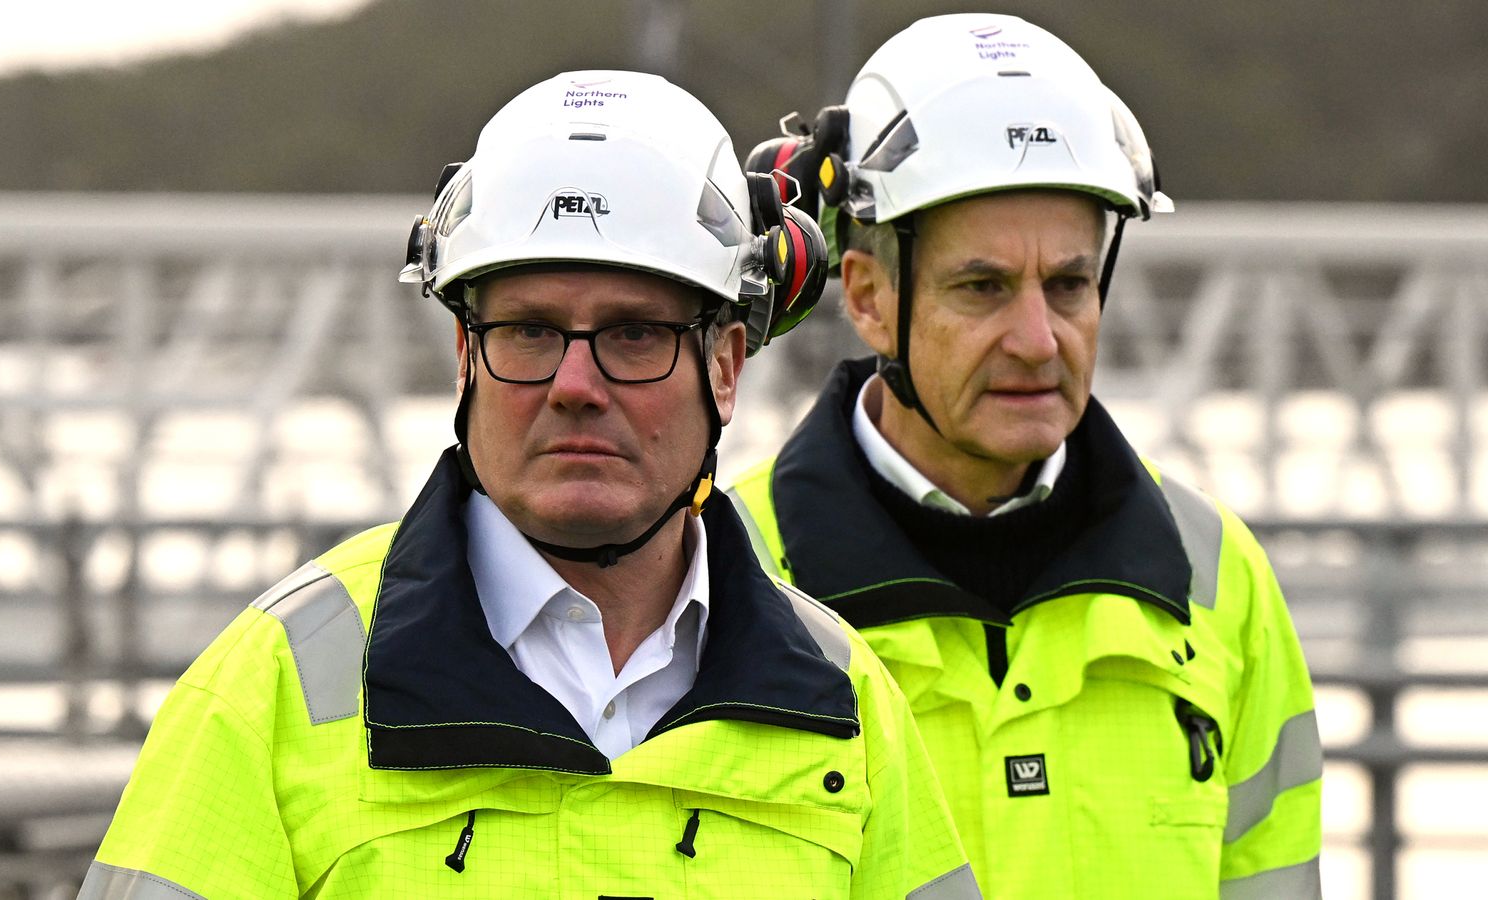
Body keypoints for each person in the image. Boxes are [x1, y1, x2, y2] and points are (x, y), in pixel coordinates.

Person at [80, 69, 979, 899]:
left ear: (727, 365)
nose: (575, 386)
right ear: (467, 355)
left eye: (635, 335)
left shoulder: (843, 702)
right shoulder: (271, 689)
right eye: (530, 332)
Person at [730, 15, 1322, 899]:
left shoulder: (1217, 581)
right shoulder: (732, 581)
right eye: (984, 288)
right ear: (868, 296)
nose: (1040, 341)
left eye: (1070, 285)